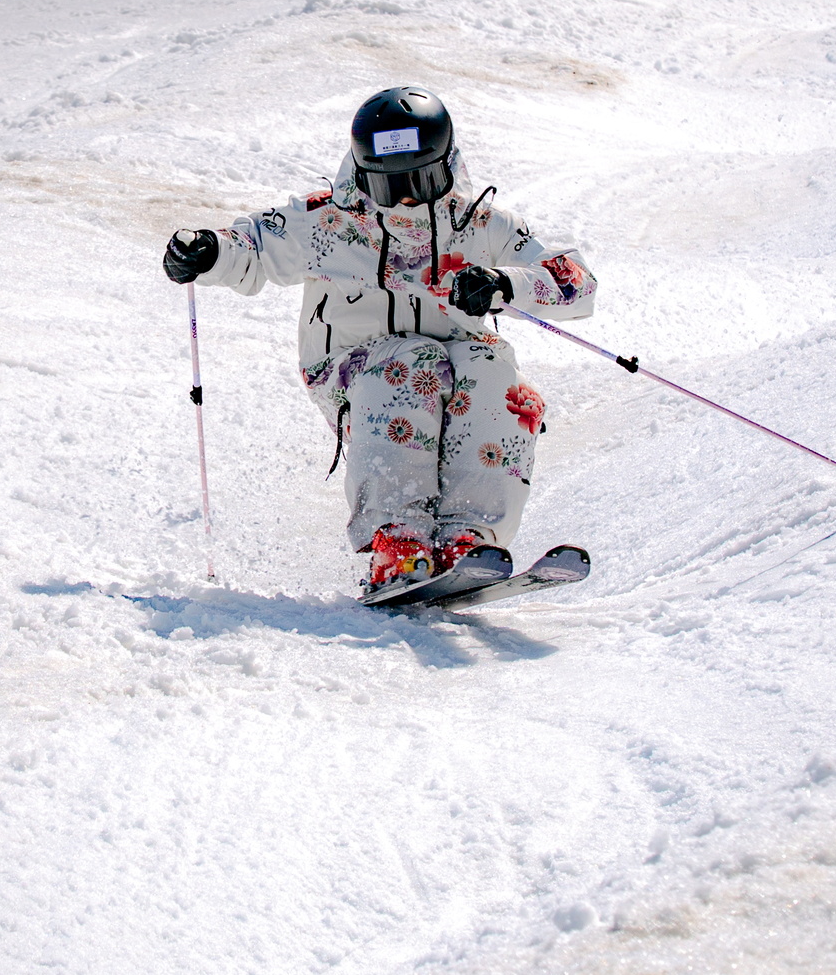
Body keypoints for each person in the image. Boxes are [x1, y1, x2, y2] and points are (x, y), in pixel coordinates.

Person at [162, 87, 597, 596]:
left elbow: (575, 280)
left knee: (493, 366)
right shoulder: (327, 219)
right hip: (355, 374)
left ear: (448, 165)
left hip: (453, 369)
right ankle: (399, 541)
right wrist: (208, 250)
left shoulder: (480, 223)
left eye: (422, 181)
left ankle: (467, 537)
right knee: (413, 360)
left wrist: (505, 284)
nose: (408, 199)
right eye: (389, 186)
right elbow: (254, 246)